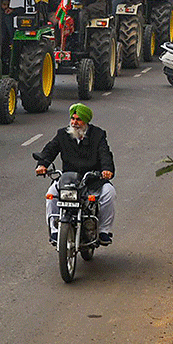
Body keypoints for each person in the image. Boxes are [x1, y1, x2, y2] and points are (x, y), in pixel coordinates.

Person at [35, 103, 116, 246]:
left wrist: (106, 170)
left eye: (78, 119)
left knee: (109, 193)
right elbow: (50, 150)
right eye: (73, 119)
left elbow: (105, 154)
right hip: (68, 180)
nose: (74, 123)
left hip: (92, 180)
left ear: (86, 121)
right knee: (51, 194)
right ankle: (54, 231)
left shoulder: (98, 135)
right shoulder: (62, 134)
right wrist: (42, 165)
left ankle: (103, 230)